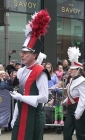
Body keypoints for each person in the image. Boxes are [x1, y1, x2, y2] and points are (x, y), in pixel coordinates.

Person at [10, 9, 51, 140]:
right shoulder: (21, 71)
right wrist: (15, 116)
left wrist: (21, 98)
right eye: (21, 52)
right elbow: (19, 95)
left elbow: (44, 97)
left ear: (34, 55)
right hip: (21, 114)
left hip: (34, 116)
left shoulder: (41, 71)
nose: (21, 55)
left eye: (25, 52)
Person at [63, 47, 85, 140]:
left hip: (80, 108)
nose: (70, 71)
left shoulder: (83, 81)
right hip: (71, 108)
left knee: (81, 134)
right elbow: (72, 94)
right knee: (66, 132)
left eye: (73, 69)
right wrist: (66, 101)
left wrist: (78, 113)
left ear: (79, 70)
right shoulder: (71, 80)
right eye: (70, 69)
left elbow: (83, 98)